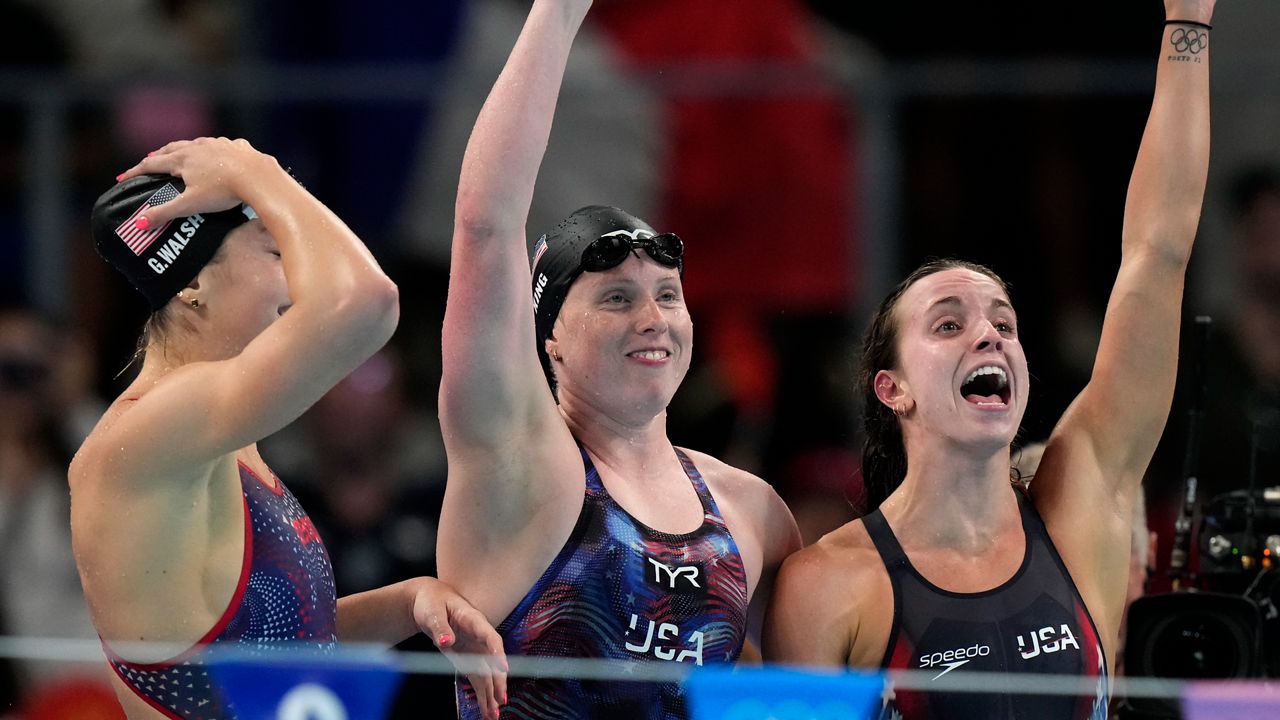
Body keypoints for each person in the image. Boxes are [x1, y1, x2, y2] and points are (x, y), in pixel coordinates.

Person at [764, 2, 1215, 718]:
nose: (991, 335)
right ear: (894, 389)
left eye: (1004, 322)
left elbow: (1157, 254)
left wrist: (1188, 22)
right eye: (950, 324)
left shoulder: (1081, 513)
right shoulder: (829, 584)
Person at [435, 2, 801, 718]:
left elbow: (798, 695)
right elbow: (486, 225)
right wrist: (558, 14)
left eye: (668, 294)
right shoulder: (515, 468)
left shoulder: (749, 510)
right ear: (550, 340)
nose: (654, 318)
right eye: (616, 299)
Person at [72, 137, 507, 720]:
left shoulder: (216, 433)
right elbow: (368, 303)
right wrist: (255, 169)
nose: (300, 283)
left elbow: (273, 652)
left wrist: (407, 603)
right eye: (275, 253)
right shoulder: (153, 431)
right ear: (193, 284)